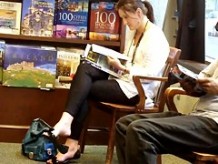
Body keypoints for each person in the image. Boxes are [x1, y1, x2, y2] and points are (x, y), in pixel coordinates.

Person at [47, 0, 169, 163]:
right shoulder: (135, 32)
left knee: (85, 88)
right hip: (124, 80)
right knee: (85, 67)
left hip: (138, 91)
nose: (124, 23)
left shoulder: (155, 37)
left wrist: (123, 68)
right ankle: (66, 123)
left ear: (139, 13)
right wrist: (114, 64)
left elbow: (149, 74)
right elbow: (128, 60)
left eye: (126, 18)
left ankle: (71, 141)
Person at [115, 59, 218, 164]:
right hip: (200, 116)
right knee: (124, 125)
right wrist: (193, 86)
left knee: (140, 130)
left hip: (214, 125)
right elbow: (202, 84)